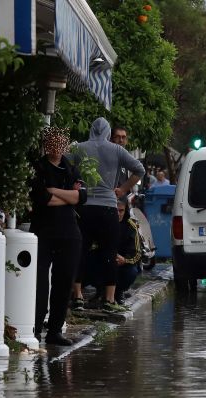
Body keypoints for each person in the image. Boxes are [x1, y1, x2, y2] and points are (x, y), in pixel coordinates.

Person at [72, 117, 145, 313]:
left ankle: (77, 296)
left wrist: (74, 186)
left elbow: (66, 166)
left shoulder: (79, 148)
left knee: (80, 251)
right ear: (108, 132)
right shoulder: (116, 150)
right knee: (109, 252)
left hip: (84, 206)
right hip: (108, 208)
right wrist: (122, 189)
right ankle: (109, 299)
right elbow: (140, 170)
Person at [29, 126, 86, 346]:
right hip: (43, 230)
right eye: (52, 141)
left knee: (64, 283)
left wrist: (54, 190)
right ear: (46, 144)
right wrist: (67, 196)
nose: (56, 146)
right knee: (40, 283)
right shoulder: (38, 168)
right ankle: (34, 328)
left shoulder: (71, 168)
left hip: (69, 232)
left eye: (61, 142)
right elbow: (42, 199)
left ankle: (55, 330)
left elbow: (82, 197)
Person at [114, 195, 144, 300]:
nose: (118, 214)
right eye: (115, 210)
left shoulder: (131, 226)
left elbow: (137, 253)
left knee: (131, 271)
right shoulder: (103, 224)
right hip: (105, 260)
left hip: (123, 262)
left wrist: (125, 260)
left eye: (121, 211)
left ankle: (119, 291)